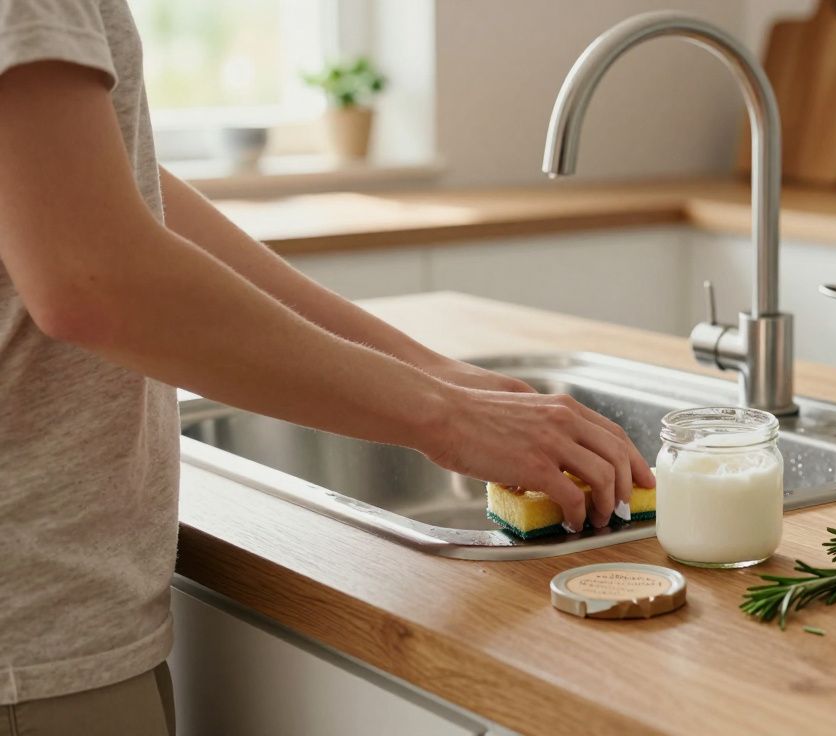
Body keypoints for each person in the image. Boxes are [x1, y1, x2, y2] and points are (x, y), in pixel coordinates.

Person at [0, 2, 655, 733]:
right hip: (31, 649)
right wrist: (447, 416)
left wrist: (426, 370)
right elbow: (94, 279)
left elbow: (117, 185)